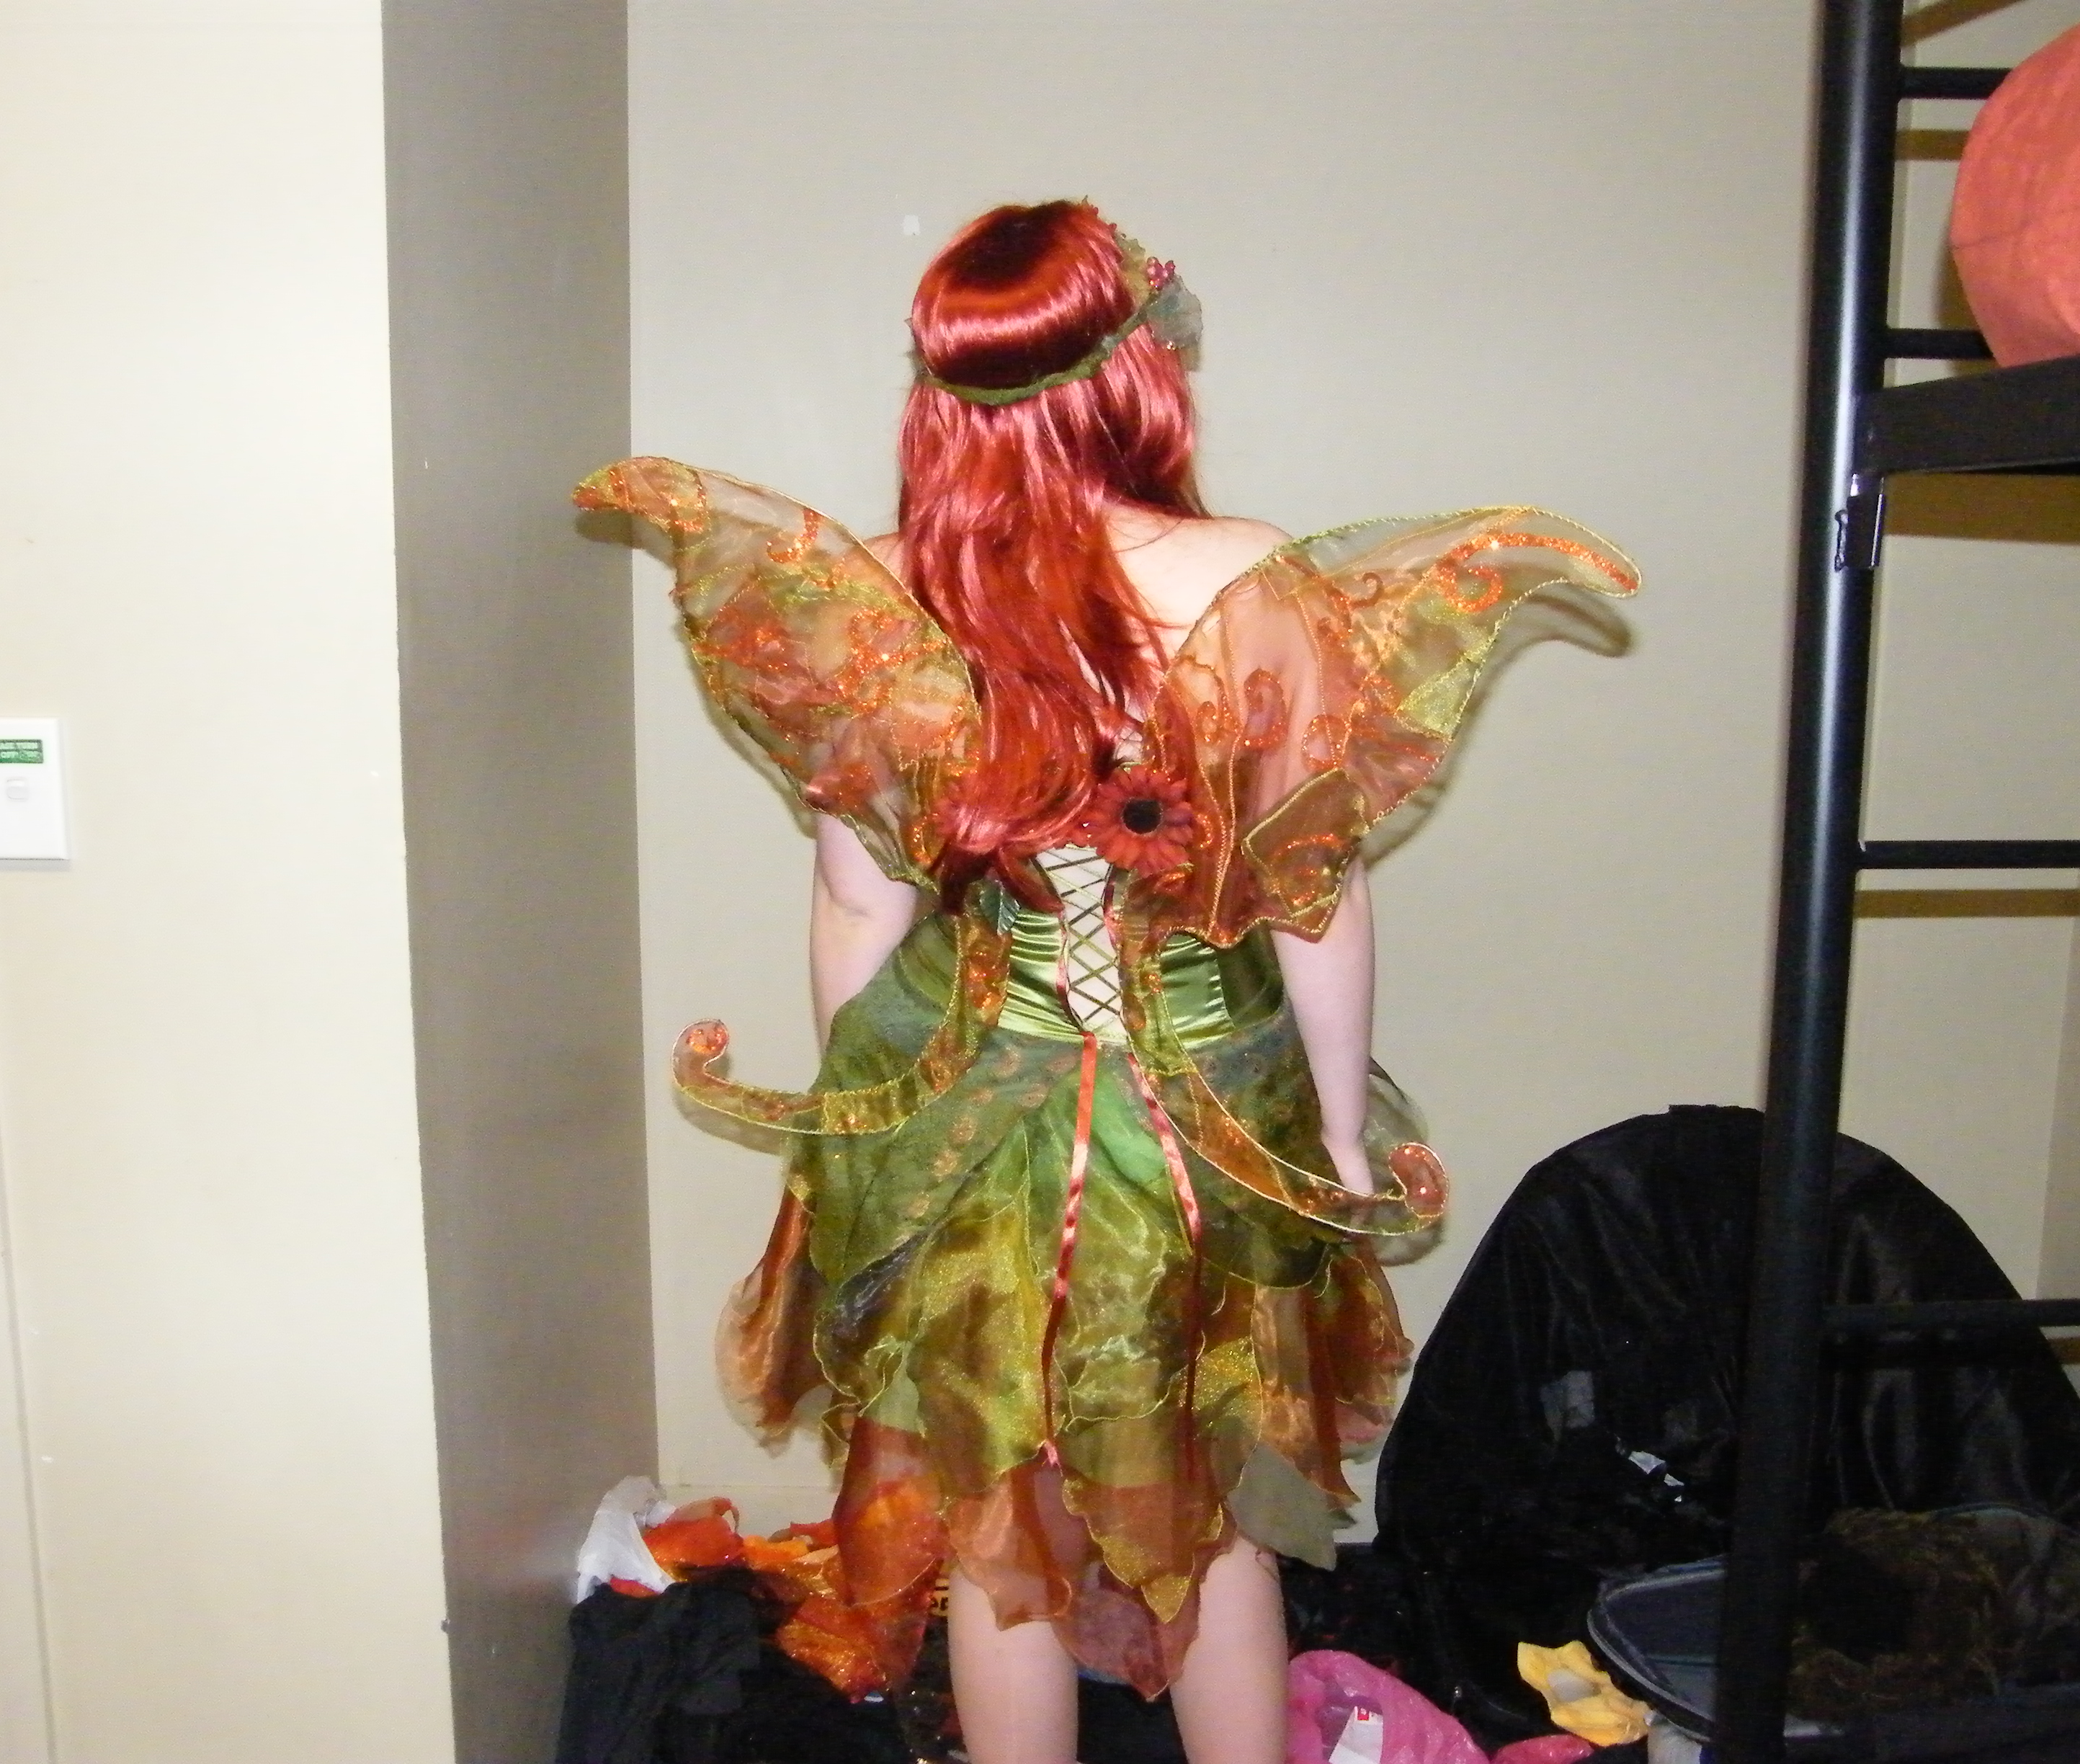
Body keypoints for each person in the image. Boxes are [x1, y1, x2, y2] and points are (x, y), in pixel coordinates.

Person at [577, 199, 1637, 1764]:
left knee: (997, 1539)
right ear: (1141, 375)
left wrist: (877, 1130)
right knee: (1212, 1526)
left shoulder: (875, 590)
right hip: (1208, 1119)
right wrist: (1341, 1138)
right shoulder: (1247, 573)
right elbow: (1311, 894)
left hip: (971, 1121)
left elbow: (857, 900)